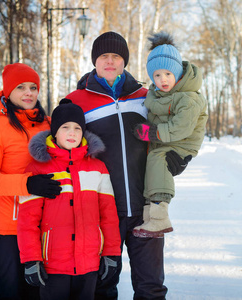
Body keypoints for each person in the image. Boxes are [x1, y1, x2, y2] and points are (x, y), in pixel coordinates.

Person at [66, 31, 189, 300]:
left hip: (146, 208)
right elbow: (64, 153)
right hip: (101, 210)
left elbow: (176, 130)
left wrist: (180, 157)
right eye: (104, 56)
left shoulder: (147, 97)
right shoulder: (76, 101)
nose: (110, 61)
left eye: (117, 56)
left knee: (152, 287)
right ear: (94, 61)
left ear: (125, 61)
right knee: (101, 286)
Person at [16, 99, 122, 300]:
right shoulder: (38, 168)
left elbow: (109, 216)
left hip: (89, 263)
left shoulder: (97, 168)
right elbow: (28, 221)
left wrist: (111, 252)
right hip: (53, 265)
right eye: (65, 127)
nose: (72, 132)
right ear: (54, 131)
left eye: (77, 128)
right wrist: (31, 259)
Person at [0, 63, 61, 299]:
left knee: (39, 294)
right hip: (7, 231)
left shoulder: (49, 125)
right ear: (8, 92)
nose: (29, 93)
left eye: (33, 87)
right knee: (9, 293)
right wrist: (28, 185)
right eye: (21, 87)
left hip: (44, 227)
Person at [132, 32, 208, 238]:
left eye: (167, 74)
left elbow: (180, 128)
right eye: (157, 75)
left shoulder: (188, 97)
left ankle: (160, 218)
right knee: (151, 165)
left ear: (177, 72)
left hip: (182, 143)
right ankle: (149, 217)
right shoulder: (157, 95)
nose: (162, 79)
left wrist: (151, 133)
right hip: (165, 141)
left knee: (158, 159)